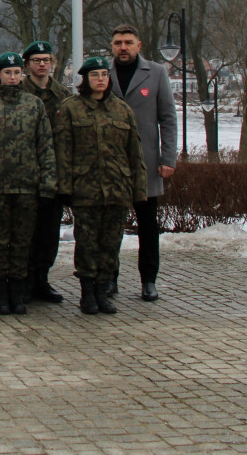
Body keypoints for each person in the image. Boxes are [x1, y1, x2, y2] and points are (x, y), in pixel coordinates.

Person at [56, 57, 148, 314]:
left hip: (117, 187)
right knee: (86, 243)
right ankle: (87, 294)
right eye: (95, 75)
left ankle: (103, 291)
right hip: (86, 188)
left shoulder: (122, 110)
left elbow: (134, 153)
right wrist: (64, 187)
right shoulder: (71, 108)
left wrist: (139, 190)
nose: (100, 79)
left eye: (104, 75)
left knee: (111, 243)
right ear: (85, 79)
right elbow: (63, 151)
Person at [0, 52, 56, 315]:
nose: (13, 77)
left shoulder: (34, 105)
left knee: (22, 243)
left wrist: (47, 182)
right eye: (8, 72)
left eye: (17, 72)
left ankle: (18, 294)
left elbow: (45, 146)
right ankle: (1, 296)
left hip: (27, 186)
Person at [109, 24, 178, 301]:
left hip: (147, 164)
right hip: (111, 164)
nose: (122, 47)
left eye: (128, 42)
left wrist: (168, 157)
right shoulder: (103, 73)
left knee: (148, 227)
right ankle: (109, 279)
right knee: (111, 226)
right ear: (111, 46)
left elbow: (168, 118)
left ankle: (148, 280)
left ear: (139, 45)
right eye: (117, 43)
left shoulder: (157, 73)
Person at [21, 41, 72, 303]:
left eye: (46, 59)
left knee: (49, 232)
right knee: (25, 231)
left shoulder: (63, 96)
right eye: (36, 60)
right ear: (27, 64)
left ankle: (42, 279)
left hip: (53, 174)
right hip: (24, 173)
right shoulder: (17, 93)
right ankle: (25, 281)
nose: (42, 64)